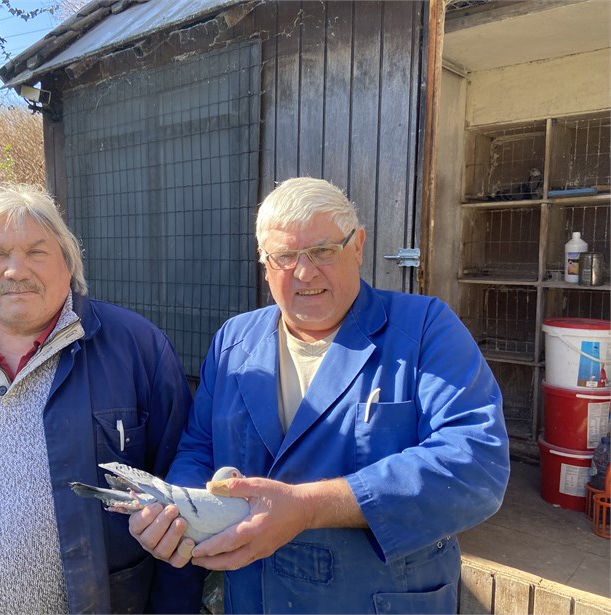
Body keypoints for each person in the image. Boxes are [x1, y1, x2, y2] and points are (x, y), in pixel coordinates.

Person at [128, 177, 510, 614]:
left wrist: (309, 508)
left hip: (374, 601)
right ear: (264, 262)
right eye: (285, 256)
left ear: (358, 246)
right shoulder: (234, 342)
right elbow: (199, 448)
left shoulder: (424, 329)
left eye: (323, 251)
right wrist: (177, 512)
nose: (305, 272)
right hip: (255, 599)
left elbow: (477, 465)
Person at [0, 184, 199, 614]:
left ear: (68, 262)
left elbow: (184, 500)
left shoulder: (139, 349)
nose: (15, 270)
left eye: (36, 252)